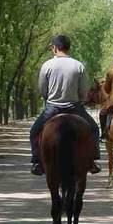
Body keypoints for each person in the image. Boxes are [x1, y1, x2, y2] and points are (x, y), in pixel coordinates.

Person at [29, 34, 101, 176]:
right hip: (75, 107)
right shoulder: (78, 65)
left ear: (54, 48)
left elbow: (43, 89)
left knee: (34, 132)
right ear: (69, 48)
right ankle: (92, 160)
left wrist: (49, 97)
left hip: (52, 108)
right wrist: (79, 99)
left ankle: (37, 161)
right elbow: (84, 90)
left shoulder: (47, 65)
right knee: (94, 129)